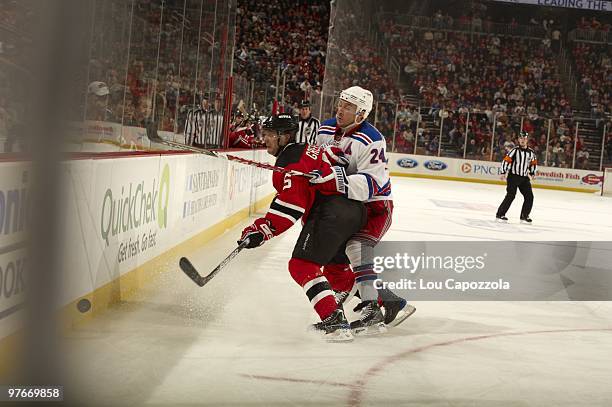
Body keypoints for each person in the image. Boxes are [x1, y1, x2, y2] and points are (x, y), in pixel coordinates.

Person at [238, 113, 366, 342]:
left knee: (301, 265)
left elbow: (291, 206)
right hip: (354, 209)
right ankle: (386, 301)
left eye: (268, 135)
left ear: (284, 137)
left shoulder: (290, 162)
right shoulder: (308, 149)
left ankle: (334, 321)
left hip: (331, 213)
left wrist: (262, 230)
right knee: (336, 271)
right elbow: (336, 158)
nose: (264, 139)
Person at [313, 86, 415, 336]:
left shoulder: (372, 138)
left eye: (348, 107)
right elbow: (314, 159)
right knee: (333, 258)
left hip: (375, 207)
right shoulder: (325, 129)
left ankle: (372, 308)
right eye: (340, 103)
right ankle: (391, 303)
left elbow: (373, 184)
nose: (341, 109)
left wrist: (334, 178)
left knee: (356, 249)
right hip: (346, 206)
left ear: (361, 114)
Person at [496, 131, 537, 223]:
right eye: (521, 138)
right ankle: (500, 214)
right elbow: (506, 161)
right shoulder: (514, 150)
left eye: (524, 138)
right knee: (511, 195)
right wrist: (503, 172)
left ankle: (524, 216)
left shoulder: (531, 152)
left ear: (527, 140)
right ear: (518, 140)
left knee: (529, 196)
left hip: (524, 178)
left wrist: (533, 173)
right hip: (513, 177)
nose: (522, 140)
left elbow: (533, 163)